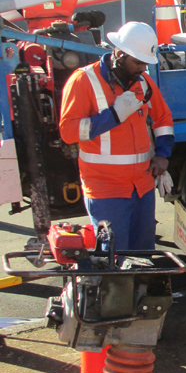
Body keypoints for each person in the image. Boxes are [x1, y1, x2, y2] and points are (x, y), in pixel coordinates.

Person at [59, 21, 174, 251]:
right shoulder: (84, 80)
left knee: (142, 258)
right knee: (113, 261)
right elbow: (69, 132)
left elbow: (163, 121)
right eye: (138, 62)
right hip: (106, 189)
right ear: (120, 55)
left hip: (141, 187)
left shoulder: (143, 82)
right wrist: (113, 115)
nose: (143, 68)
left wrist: (162, 156)